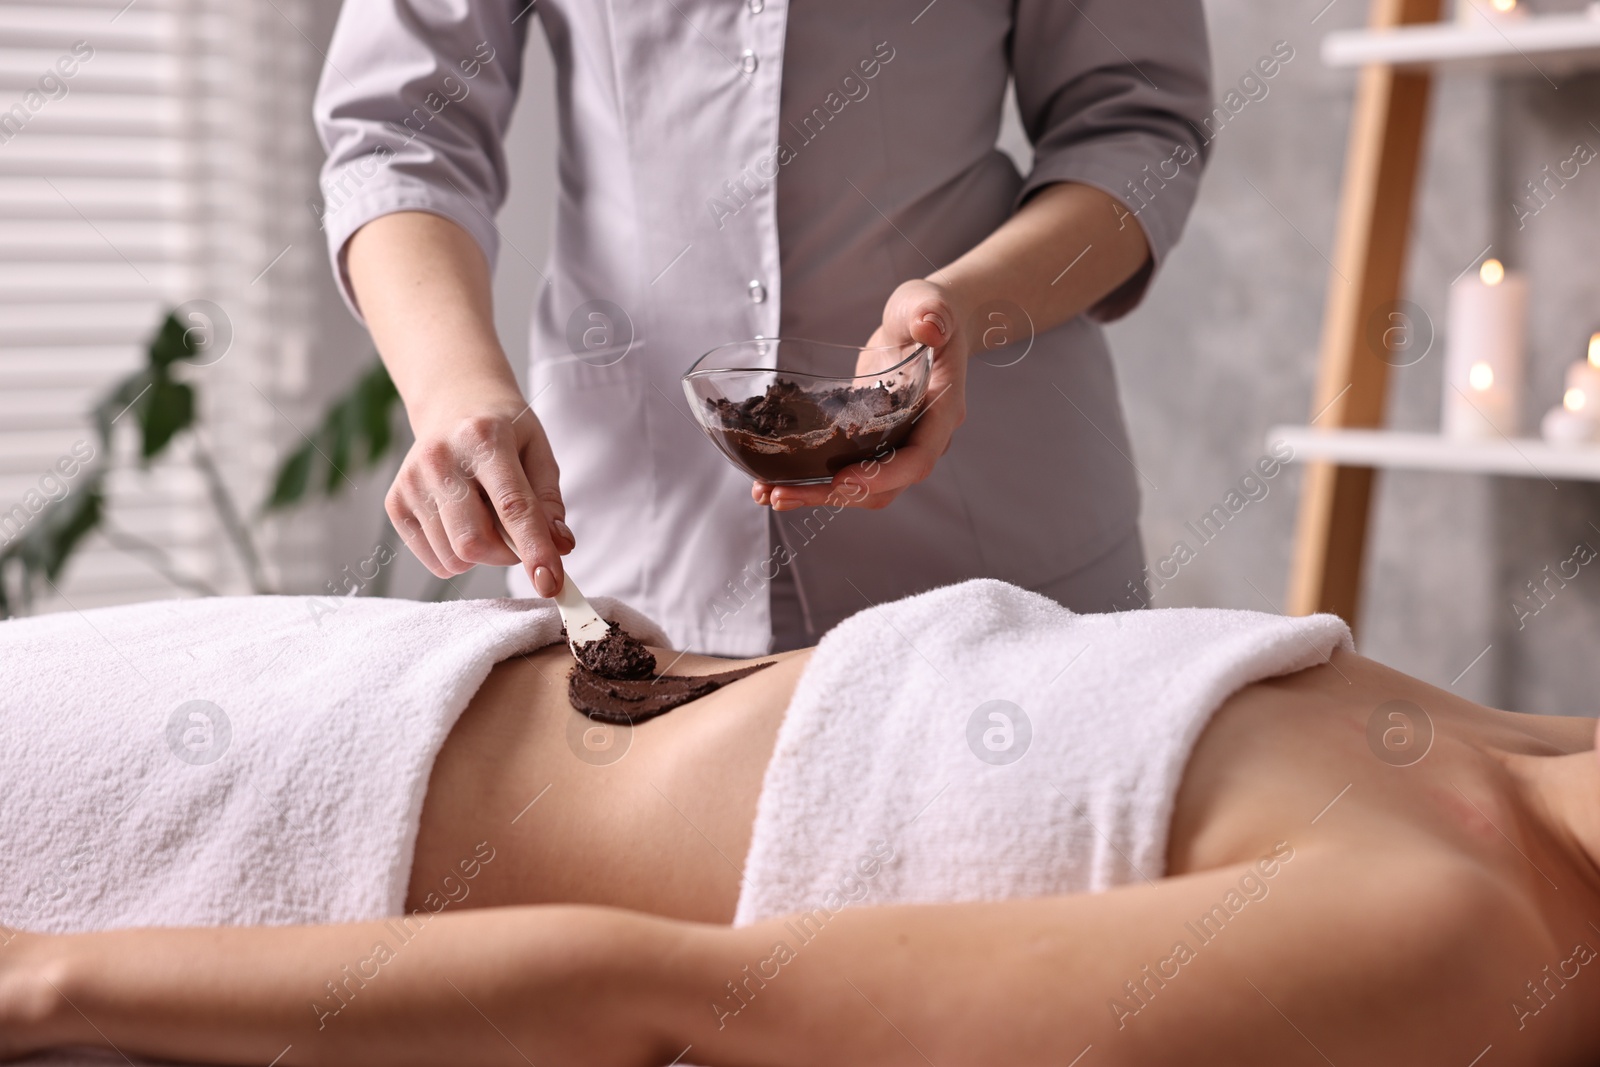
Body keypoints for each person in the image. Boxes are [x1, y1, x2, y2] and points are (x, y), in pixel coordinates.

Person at [1, 589, 1598, 1064]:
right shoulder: (1535, 745)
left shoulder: (1450, 936)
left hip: (273, 819)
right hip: (377, 667)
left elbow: (675, 990)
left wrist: (46, 980)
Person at [312, 0, 1214, 656]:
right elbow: (398, 134)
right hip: (634, 552)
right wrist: (455, 390)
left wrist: (964, 309)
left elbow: (1138, 123)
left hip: (995, 553)